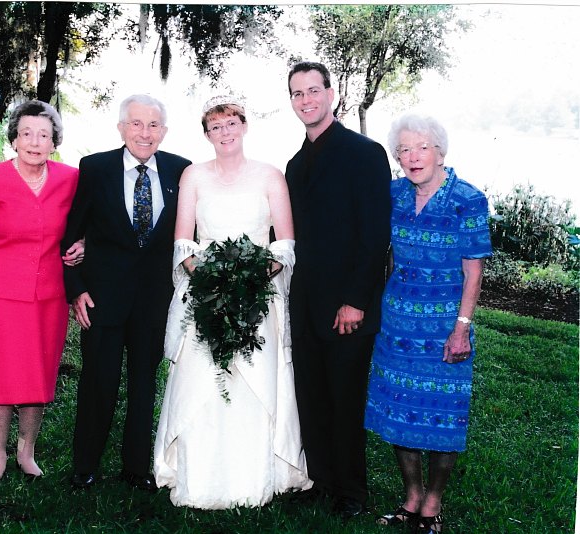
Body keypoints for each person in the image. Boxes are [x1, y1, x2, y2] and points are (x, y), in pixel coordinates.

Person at [153, 96, 311, 509]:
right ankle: (199, 477)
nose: (224, 133)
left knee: (252, 383)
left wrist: (250, 283)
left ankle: (255, 477)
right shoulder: (193, 176)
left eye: (231, 124)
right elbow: (184, 241)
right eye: (215, 127)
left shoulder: (271, 176)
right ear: (207, 135)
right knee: (203, 382)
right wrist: (208, 280)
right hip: (204, 294)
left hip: (258, 297)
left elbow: (285, 244)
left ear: (244, 126)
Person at [365, 114, 492, 533]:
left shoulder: (467, 199)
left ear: (440, 152)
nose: (412, 157)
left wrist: (462, 327)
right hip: (398, 324)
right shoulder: (394, 194)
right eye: (403, 149)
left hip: (444, 326)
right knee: (401, 409)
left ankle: (432, 505)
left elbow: (473, 272)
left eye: (421, 147)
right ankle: (412, 497)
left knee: (443, 414)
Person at [62, 94, 191, 491]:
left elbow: (191, 233)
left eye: (153, 125)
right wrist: (76, 290)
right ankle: (85, 464)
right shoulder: (95, 167)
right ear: (121, 127)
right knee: (98, 382)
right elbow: (70, 237)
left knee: (143, 386)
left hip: (155, 299)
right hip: (102, 298)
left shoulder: (181, 171)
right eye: (136, 124)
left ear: (164, 131)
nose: (144, 132)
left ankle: (136, 467)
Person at [284, 61, 392, 518]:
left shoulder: (364, 153)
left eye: (313, 90)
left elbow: (374, 236)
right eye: (297, 93)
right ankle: (321, 479)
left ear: (331, 94)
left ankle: (352, 492)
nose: (306, 100)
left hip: (348, 304)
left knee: (345, 399)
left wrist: (356, 301)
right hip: (305, 301)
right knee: (311, 394)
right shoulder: (293, 164)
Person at [0, 100, 80, 482]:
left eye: (44, 135)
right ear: (14, 139)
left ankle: (26, 451)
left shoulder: (70, 179)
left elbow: (89, 226)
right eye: (27, 133)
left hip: (49, 296)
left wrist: (86, 246)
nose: (35, 141)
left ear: (54, 142)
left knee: (38, 375)